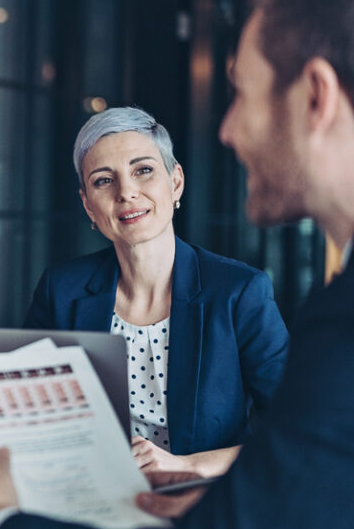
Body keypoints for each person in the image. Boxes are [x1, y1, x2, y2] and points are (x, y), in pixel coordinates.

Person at [0, 0, 354, 529]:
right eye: (105, 180)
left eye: (241, 93)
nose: (227, 129)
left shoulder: (323, 323)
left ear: (313, 97)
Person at [24, 107, 288, 480]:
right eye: (103, 181)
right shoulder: (61, 290)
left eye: (143, 170)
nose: (126, 192)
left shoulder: (239, 293)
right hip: (90, 493)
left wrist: (188, 466)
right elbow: (26, 416)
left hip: (201, 504)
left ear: (175, 182)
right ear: (88, 205)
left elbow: (301, 429)